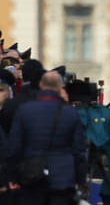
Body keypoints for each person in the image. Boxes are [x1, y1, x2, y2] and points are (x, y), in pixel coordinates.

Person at [7, 71, 88, 205]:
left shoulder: (24, 110)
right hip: (63, 179)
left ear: (41, 85)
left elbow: (14, 147)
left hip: (31, 177)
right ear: (60, 87)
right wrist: (81, 180)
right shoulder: (71, 113)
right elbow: (79, 151)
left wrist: (13, 176)